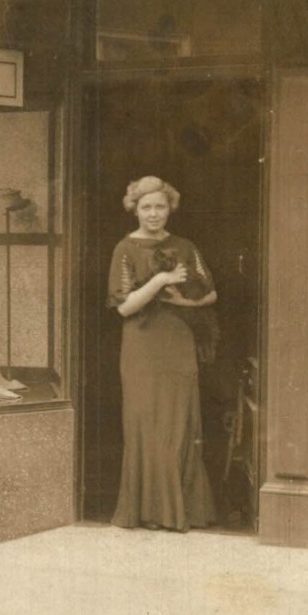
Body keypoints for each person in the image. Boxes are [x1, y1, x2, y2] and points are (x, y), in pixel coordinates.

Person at [107, 175, 218, 532]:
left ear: (170, 208)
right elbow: (124, 307)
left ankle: (179, 512)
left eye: (160, 206)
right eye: (146, 207)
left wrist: (185, 300)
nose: (153, 214)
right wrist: (159, 281)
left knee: (179, 423)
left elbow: (211, 293)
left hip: (178, 342)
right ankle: (149, 512)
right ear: (134, 209)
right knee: (145, 423)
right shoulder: (124, 248)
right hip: (142, 344)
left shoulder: (185, 246)